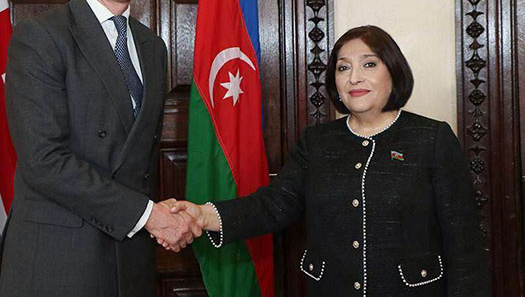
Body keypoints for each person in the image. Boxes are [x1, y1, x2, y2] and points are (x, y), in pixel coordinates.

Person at [173, 25, 491, 296]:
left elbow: (464, 244)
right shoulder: (317, 142)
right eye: (343, 68)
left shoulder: (431, 138)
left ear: (394, 72)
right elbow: (273, 205)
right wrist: (202, 215)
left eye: (369, 64)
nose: (354, 78)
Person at [0, 0, 199, 297]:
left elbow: (136, 162)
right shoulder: (41, 38)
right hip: (60, 263)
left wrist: (159, 218)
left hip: (130, 260)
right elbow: (44, 161)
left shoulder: (152, 48)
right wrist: (149, 216)